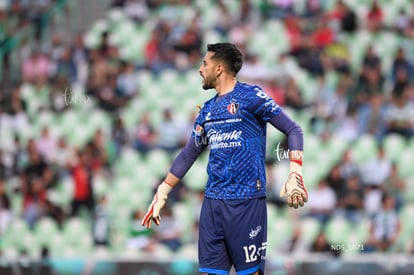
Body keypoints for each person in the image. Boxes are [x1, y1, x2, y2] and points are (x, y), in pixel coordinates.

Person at [141, 43, 307, 275]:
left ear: (219, 69)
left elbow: (293, 130)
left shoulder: (252, 97)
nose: (200, 69)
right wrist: (163, 191)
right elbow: (189, 152)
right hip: (212, 205)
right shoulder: (207, 110)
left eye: (205, 63)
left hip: (246, 202)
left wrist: (295, 171)